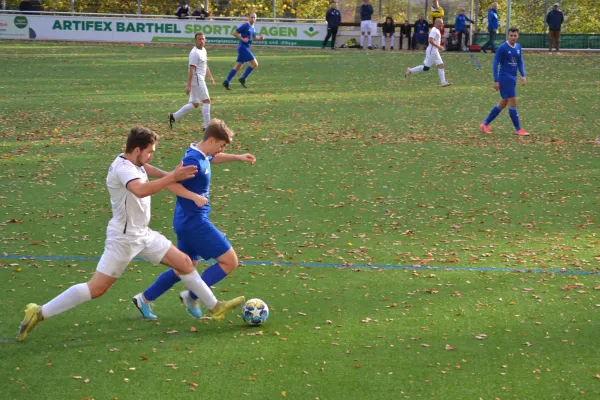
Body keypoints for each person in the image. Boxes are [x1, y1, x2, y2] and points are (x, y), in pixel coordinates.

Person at [17, 127, 245, 342]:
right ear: (137, 150)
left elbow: (150, 171)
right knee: (96, 288)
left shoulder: (134, 161)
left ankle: (215, 307)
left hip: (143, 234)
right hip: (124, 239)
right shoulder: (123, 168)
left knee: (185, 263)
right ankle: (39, 312)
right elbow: (140, 189)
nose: (151, 157)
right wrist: (172, 178)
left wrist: (172, 174)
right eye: (149, 152)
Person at [132, 119, 256, 319]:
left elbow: (212, 159)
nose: (221, 150)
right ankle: (192, 296)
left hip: (185, 220)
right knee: (230, 261)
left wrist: (238, 157)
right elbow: (170, 183)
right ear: (211, 140)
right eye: (221, 145)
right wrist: (193, 197)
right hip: (194, 223)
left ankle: (144, 298)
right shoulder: (192, 159)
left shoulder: (201, 154)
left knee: (184, 266)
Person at [479, 28, 529, 136]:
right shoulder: (502, 48)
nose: (513, 38)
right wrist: (496, 80)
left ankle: (485, 124)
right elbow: (495, 64)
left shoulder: (518, 47)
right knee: (513, 101)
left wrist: (523, 75)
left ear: (518, 36)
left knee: (503, 102)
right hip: (504, 77)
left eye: (515, 35)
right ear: (508, 36)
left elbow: (520, 62)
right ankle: (518, 129)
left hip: (513, 77)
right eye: (511, 35)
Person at [168, 32, 214, 131]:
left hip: (199, 79)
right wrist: (188, 85)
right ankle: (207, 127)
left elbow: (205, 64)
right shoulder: (194, 53)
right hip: (197, 80)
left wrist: (210, 77)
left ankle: (173, 116)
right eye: (199, 39)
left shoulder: (203, 50)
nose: (202, 41)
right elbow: (191, 69)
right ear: (195, 40)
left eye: (203, 39)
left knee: (195, 104)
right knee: (207, 101)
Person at [404, 18, 452, 87]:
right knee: (440, 66)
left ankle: (410, 70)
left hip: (434, 51)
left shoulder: (436, 30)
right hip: (432, 51)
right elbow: (430, 40)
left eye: (442, 23)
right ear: (436, 23)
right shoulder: (434, 31)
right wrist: (439, 47)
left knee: (426, 68)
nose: (442, 24)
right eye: (441, 23)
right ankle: (443, 82)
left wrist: (438, 48)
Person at [222, 12, 265, 90]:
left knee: (237, 66)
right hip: (243, 48)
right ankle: (242, 78)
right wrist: (242, 39)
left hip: (246, 48)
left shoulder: (253, 27)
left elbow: (253, 37)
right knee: (255, 64)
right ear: (248, 17)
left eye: (254, 17)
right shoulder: (245, 25)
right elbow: (234, 33)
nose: (253, 19)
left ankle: (226, 82)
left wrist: (260, 39)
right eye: (251, 17)